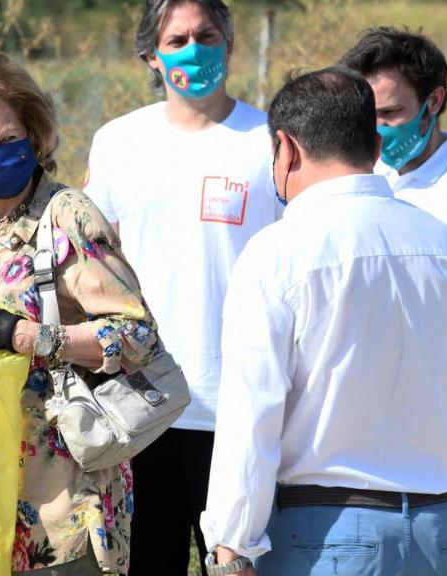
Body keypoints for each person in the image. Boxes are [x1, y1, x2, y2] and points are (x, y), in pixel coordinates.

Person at [201, 67, 447, 576]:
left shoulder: (277, 252)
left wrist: (231, 546)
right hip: (444, 530)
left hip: (326, 532)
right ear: (375, 144)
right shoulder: (445, 244)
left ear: (286, 148)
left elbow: (251, 415)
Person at [0, 51, 159, 575]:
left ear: (33, 135)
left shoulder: (68, 215)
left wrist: (29, 336)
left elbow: (137, 336)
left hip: (66, 509)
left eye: (7, 139)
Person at [82, 1, 279, 572]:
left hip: (240, 406)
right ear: (152, 56)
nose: (195, 49)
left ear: (230, 43)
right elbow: (91, 264)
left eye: (207, 35)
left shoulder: (270, 140)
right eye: (177, 40)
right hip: (142, 403)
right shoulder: (119, 141)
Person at [339, 28, 447, 575]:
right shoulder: (363, 181)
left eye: (391, 114)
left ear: (434, 102)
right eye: (368, 116)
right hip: (371, 444)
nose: (377, 130)